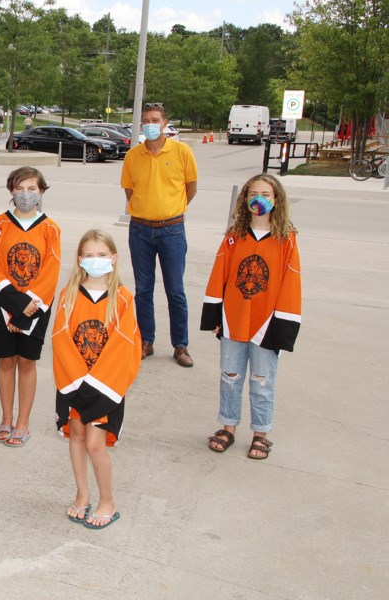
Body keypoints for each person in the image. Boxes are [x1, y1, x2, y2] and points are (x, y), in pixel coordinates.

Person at [202, 174, 301, 461]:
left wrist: (282, 327)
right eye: (253, 193)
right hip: (234, 318)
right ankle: (228, 426)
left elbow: (291, 285)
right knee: (230, 377)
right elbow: (219, 275)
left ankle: (261, 433)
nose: (260, 199)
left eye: (266, 194)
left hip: (266, 323)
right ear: (245, 199)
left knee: (262, 380)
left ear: (276, 200)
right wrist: (215, 316)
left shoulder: (286, 240)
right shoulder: (234, 236)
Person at [52, 230, 141, 530]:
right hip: (74, 382)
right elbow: (61, 339)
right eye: (89, 255)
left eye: (102, 255)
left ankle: (108, 501)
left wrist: (97, 383)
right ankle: (82, 494)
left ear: (114, 259)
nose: (96, 260)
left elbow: (125, 344)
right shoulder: (68, 295)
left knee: (94, 444)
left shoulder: (123, 298)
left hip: (105, 386)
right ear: (79, 260)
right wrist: (77, 380)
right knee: (75, 436)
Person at [0, 167, 61, 447]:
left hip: (35, 309)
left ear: (41, 192)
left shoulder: (51, 229)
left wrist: (26, 312)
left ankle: (23, 422)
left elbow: (50, 272)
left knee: (27, 362)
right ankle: (6, 417)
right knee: (6, 361)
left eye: (32, 189)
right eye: (20, 188)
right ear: (10, 190)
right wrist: (13, 308)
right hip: (2, 305)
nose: (25, 194)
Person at [121, 102, 197, 367]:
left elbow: (191, 188)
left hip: (172, 230)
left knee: (175, 290)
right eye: (146, 120)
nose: (150, 124)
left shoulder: (181, 152)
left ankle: (180, 345)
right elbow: (130, 191)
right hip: (140, 229)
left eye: (155, 119)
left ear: (165, 123)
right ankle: (146, 340)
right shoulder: (133, 156)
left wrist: (168, 210)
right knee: (143, 289)